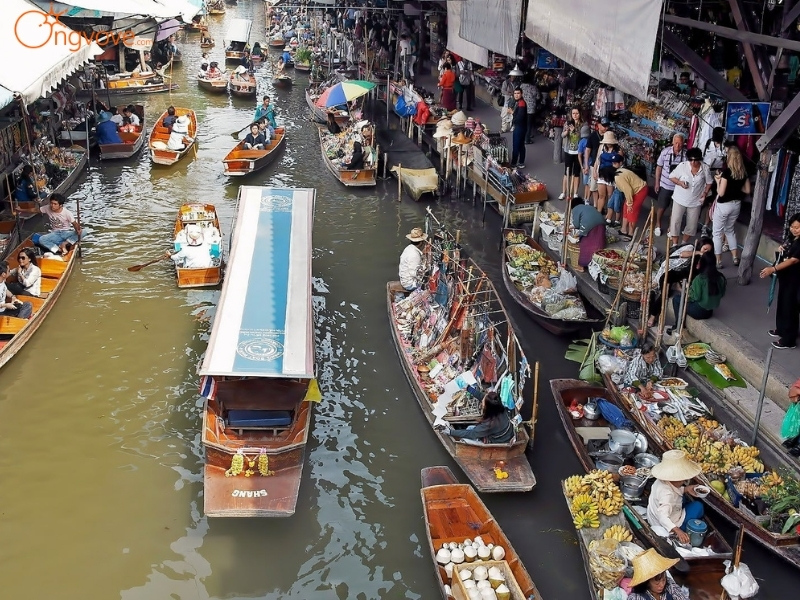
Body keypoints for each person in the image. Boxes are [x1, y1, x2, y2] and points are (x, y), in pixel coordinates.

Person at [647, 237, 714, 326]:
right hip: (668, 273)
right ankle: (653, 316)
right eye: (705, 249)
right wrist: (698, 253)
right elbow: (683, 254)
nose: (705, 252)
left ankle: (678, 286)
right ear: (700, 246)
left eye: (708, 251)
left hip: (682, 279)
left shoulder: (703, 261)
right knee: (664, 294)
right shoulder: (691, 248)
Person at [760, 212, 800, 349]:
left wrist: (773, 269)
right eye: (792, 226)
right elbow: (788, 253)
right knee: (783, 303)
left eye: (797, 227)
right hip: (787, 278)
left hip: (796, 280)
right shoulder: (792, 238)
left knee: (790, 307)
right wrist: (782, 249)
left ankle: (789, 340)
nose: (794, 230)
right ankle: (782, 329)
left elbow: (793, 260)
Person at [647, 450, 705, 544]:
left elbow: (673, 491)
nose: (684, 481)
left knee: (684, 499)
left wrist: (686, 489)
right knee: (698, 507)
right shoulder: (667, 494)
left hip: (653, 515)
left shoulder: (661, 481)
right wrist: (678, 531)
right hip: (664, 524)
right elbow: (662, 517)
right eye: (682, 479)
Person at [712, 146, 749, 269]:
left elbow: (721, 193)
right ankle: (735, 257)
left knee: (717, 233)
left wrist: (718, 181)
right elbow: (747, 190)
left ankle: (718, 261)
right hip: (736, 204)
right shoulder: (743, 172)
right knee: (729, 230)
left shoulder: (727, 172)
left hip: (724, 205)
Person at [668, 147, 713, 246]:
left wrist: (705, 193)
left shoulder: (705, 168)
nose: (693, 162)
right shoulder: (682, 166)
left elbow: (709, 182)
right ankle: (675, 244)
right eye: (691, 160)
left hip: (695, 201)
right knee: (675, 221)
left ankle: (683, 243)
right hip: (680, 199)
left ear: (699, 159)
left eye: (695, 160)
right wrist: (680, 183)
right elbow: (671, 176)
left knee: (692, 225)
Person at [671, 252, 726, 329]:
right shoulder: (721, 277)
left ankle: (678, 326)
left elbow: (695, 297)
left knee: (676, 299)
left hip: (699, 312)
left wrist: (685, 290)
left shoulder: (700, 279)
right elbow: (722, 294)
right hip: (710, 311)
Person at [445, 392, 514, 444]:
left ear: (488, 408)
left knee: (465, 440)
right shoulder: (499, 407)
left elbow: (471, 434)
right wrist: (469, 389)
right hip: (505, 434)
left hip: (499, 441)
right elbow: (483, 397)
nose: (482, 404)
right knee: (470, 428)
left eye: (483, 404)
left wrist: (450, 432)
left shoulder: (489, 424)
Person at [653, 133, 686, 237]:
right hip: (665, 185)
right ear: (672, 142)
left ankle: (670, 228)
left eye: (680, 144)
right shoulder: (665, 152)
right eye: (676, 143)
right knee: (662, 207)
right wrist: (657, 183)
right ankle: (658, 224)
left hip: (678, 187)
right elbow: (659, 167)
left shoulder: (686, 155)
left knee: (674, 210)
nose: (677, 146)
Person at [610, 154, 648, 239]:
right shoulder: (619, 172)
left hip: (640, 190)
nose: (613, 164)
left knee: (632, 211)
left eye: (615, 163)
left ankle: (630, 234)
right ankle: (624, 229)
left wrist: (630, 203)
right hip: (635, 190)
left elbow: (628, 190)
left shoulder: (618, 176)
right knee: (625, 208)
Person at [570, 200, 606, 271]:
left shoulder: (575, 209)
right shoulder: (589, 207)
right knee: (598, 241)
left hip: (589, 225)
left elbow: (576, 224)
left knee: (585, 244)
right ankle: (597, 262)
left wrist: (572, 229)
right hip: (601, 223)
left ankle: (581, 266)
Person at [592, 131, 622, 217]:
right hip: (601, 174)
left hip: (611, 175)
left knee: (610, 196)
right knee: (601, 195)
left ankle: (608, 217)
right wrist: (594, 171)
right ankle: (597, 214)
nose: (608, 144)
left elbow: (620, 164)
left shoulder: (618, 150)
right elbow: (598, 160)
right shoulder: (602, 147)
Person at [560, 107, 582, 200]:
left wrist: (575, 131)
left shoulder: (582, 125)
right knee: (567, 172)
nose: (575, 115)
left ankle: (575, 193)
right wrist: (567, 131)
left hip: (578, 152)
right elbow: (562, 135)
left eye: (577, 113)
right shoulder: (567, 123)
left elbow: (582, 137)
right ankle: (564, 192)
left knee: (576, 173)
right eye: (573, 113)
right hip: (568, 150)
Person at [510, 88, 527, 169]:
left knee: (516, 145)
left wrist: (512, 113)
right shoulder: (519, 102)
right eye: (515, 93)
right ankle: (521, 162)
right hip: (522, 127)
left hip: (519, 127)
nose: (516, 95)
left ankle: (513, 163)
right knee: (521, 145)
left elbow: (520, 117)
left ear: (521, 94)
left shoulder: (521, 104)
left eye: (518, 93)